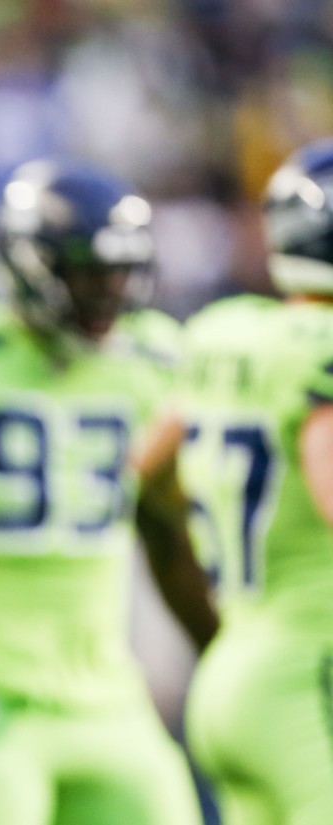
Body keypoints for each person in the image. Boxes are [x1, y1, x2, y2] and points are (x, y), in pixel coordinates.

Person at [0, 159, 216, 825]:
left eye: (120, 271)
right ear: (30, 266)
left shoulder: (152, 360)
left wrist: (217, 648)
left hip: (111, 699)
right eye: (87, 273)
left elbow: (166, 529)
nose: (108, 291)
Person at [169, 138, 333, 825]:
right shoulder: (319, 352)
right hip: (308, 681)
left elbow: (141, 476)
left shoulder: (224, 332)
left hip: (230, 671)